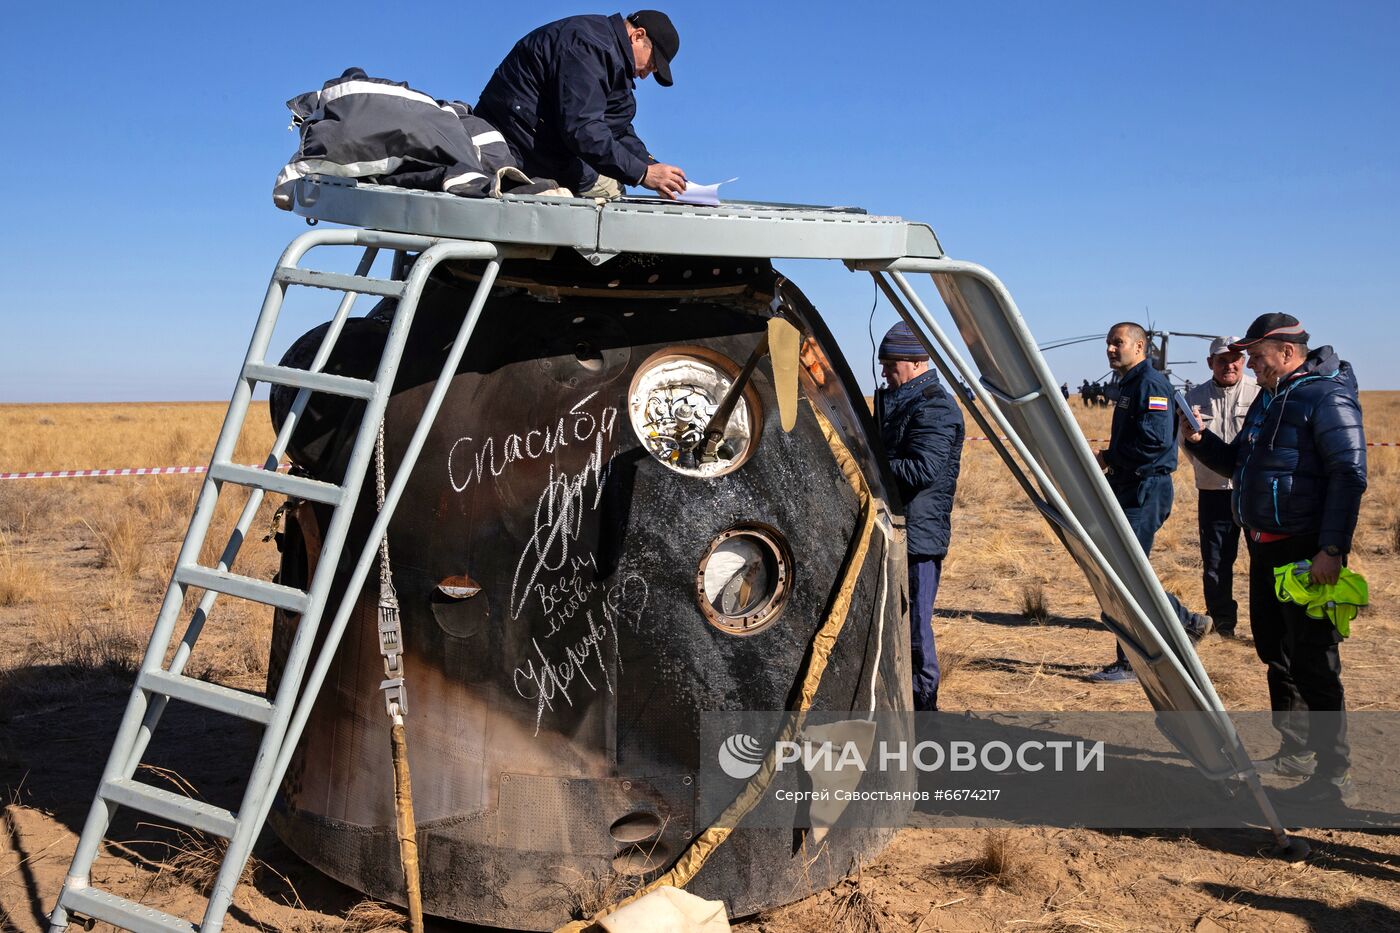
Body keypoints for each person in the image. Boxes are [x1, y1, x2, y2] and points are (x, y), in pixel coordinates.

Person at [1182, 313, 1366, 804]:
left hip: (1306, 550)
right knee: (1276, 653)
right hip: (1263, 545)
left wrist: (1331, 549)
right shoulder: (1270, 397)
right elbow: (1239, 464)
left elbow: (1349, 474)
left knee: (1314, 661)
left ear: (1286, 353)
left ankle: (1333, 775)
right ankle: (1296, 750)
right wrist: (1200, 442)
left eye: (1256, 356)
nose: (1249, 365)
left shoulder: (1325, 396)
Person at [1090, 323, 1212, 684]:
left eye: (1118, 342)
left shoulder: (1151, 384)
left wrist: (1110, 455)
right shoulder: (1131, 383)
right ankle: (1184, 622)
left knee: (1127, 576)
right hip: (1129, 486)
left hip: (1145, 490)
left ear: (1140, 345)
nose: (1111, 349)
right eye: (1109, 343)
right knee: (1125, 572)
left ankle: (1134, 661)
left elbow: (1155, 444)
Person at [475, 11, 688, 200]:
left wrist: (654, 169)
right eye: (651, 65)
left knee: (613, 184)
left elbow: (618, 130)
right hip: (516, 144)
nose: (645, 75)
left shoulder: (611, 57)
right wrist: (642, 174)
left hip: (541, 142)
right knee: (612, 192)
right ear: (638, 36)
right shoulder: (588, 47)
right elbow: (583, 129)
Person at [875, 322, 965, 711]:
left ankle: (924, 709)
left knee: (914, 629)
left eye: (890, 365)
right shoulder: (902, 400)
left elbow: (922, 469)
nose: (884, 373)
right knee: (895, 622)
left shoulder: (935, 407)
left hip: (919, 536)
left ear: (914, 362)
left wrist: (870, 462)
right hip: (899, 529)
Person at [1181, 337, 1260, 638]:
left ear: (1244, 361)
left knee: (1262, 562)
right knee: (1215, 562)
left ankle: (1266, 626)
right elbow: (1187, 443)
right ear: (1210, 363)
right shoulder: (1195, 396)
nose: (1229, 364)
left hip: (1253, 493)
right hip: (1213, 491)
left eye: (1235, 359)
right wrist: (1207, 471)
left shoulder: (1260, 392)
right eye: (1222, 360)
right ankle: (1222, 624)